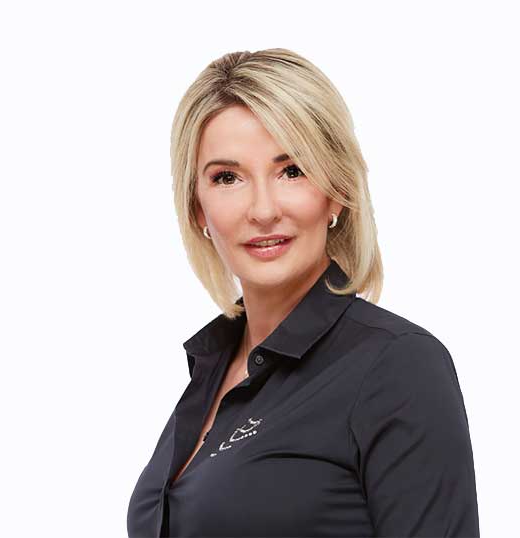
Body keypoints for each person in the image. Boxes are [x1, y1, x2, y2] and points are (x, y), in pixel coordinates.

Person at [127, 48, 479, 537]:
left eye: (292, 170)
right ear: (198, 208)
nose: (263, 210)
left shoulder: (396, 366)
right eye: (227, 177)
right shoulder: (212, 369)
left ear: (336, 191)